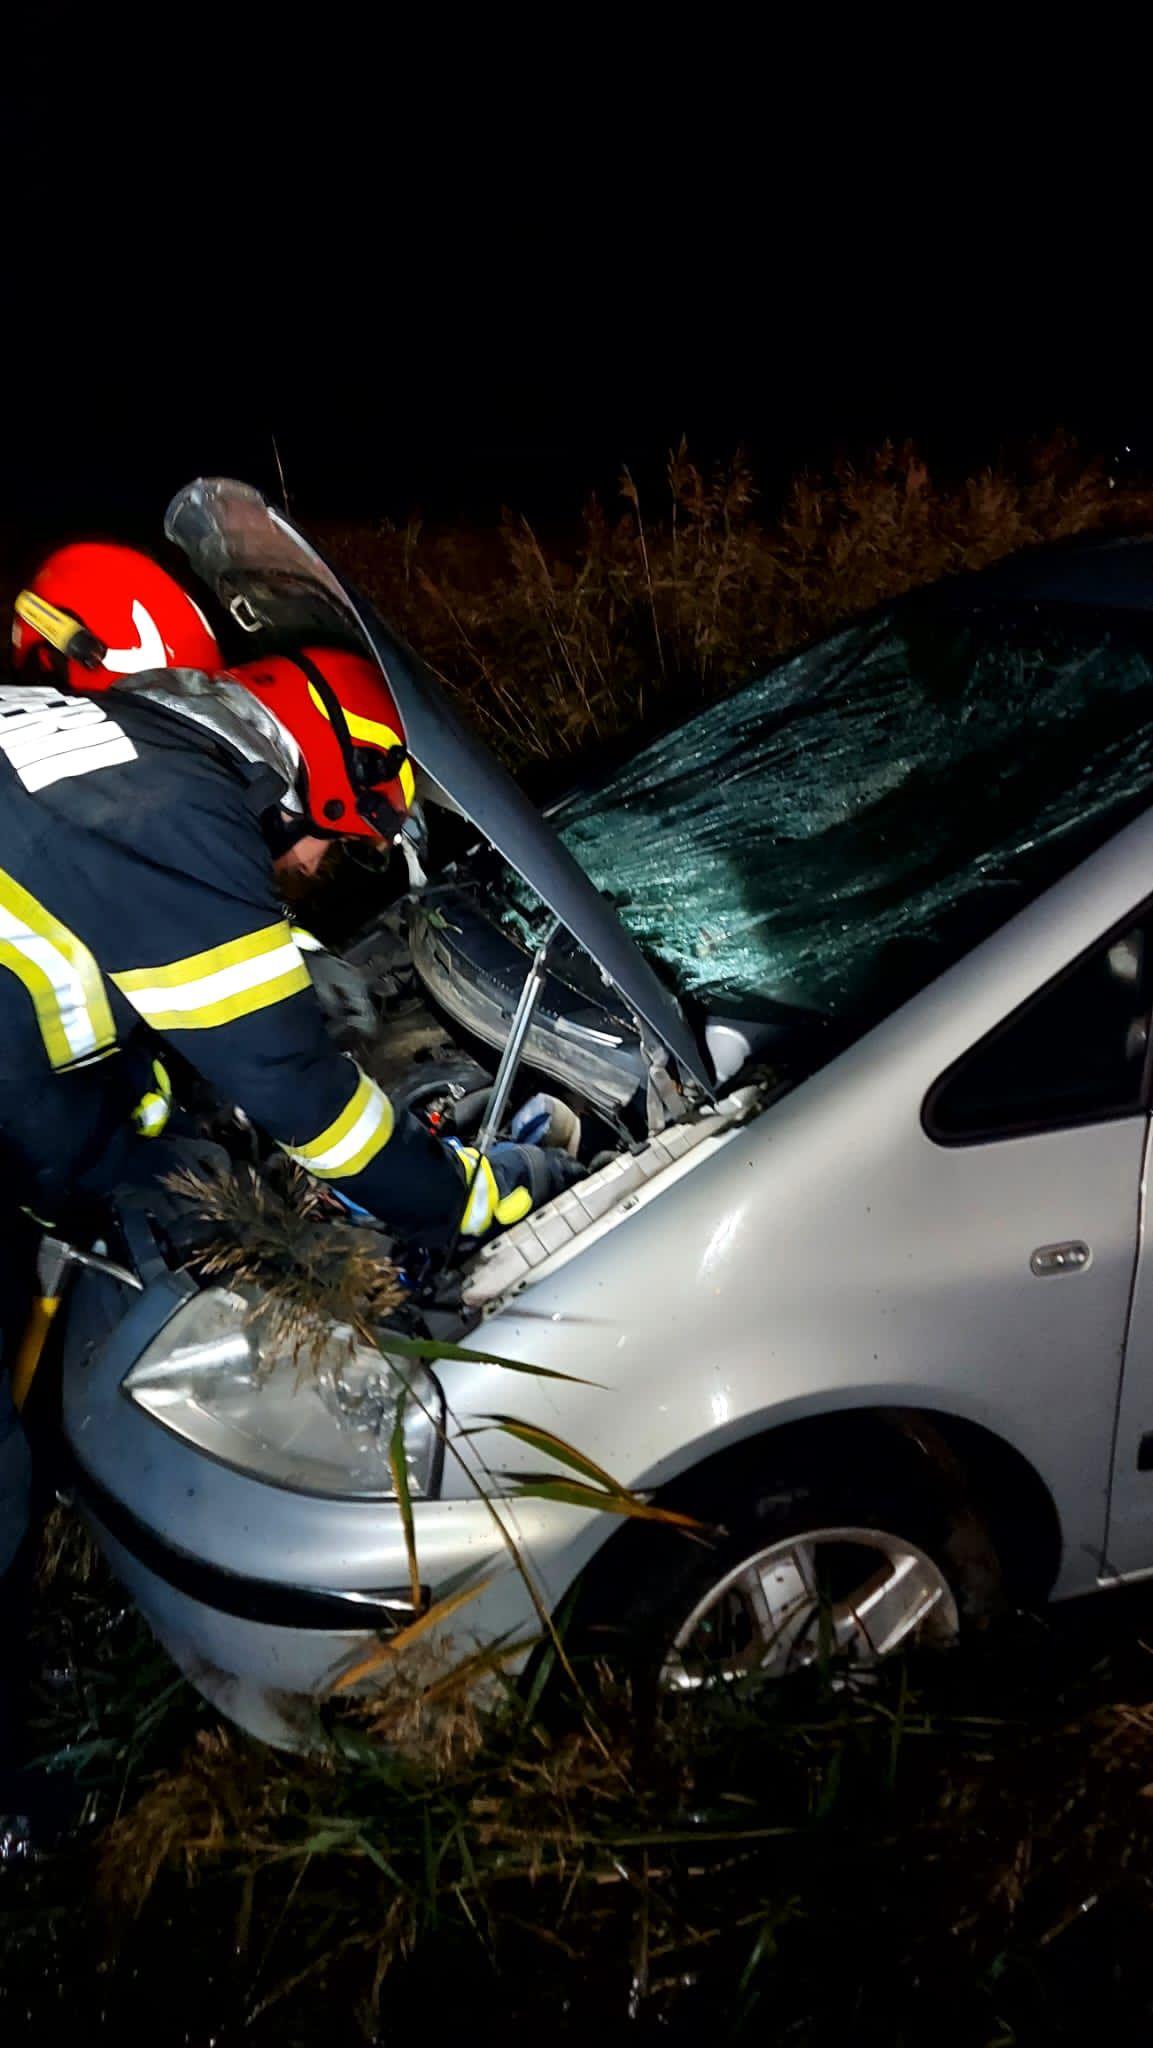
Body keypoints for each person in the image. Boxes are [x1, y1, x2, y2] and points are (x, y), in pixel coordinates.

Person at [0, 544, 581, 1795]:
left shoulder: (104, 739)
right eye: (343, 845)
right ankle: (16, 1798)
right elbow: (316, 1109)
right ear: (319, 786)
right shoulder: (168, 823)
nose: (318, 877)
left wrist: (148, 1132)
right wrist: (477, 1189)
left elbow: (46, 1022)